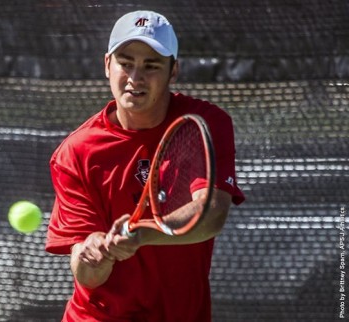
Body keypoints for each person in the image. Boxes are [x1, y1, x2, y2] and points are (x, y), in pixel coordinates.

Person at [45, 10, 245, 322]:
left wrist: (142, 234)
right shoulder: (76, 152)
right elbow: (86, 276)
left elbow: (211, 213)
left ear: (173, 71)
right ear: (107, 65)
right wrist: (93, 255)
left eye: (151, 66)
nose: (135, 78)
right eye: (126, 63)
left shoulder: (205, 123)